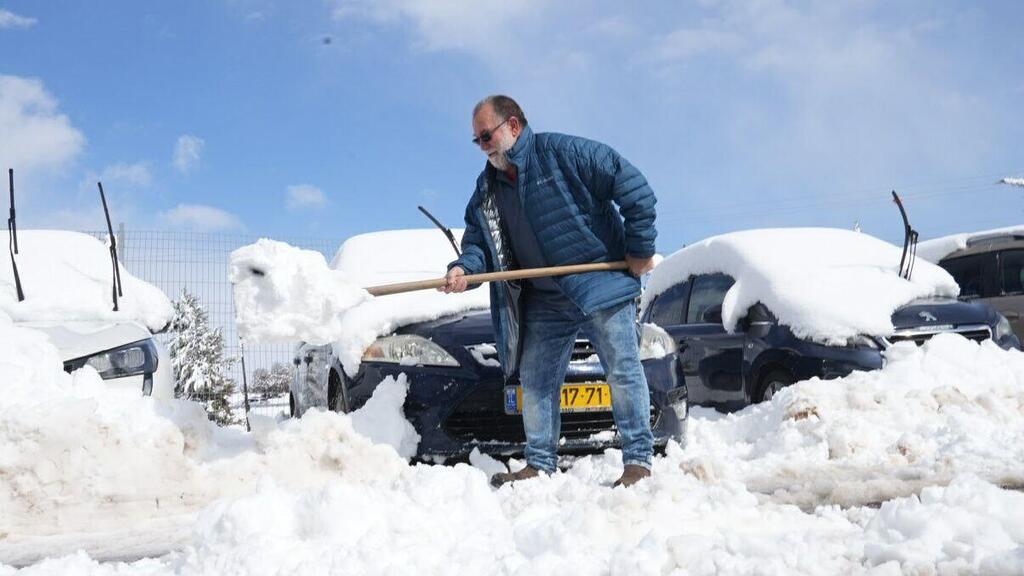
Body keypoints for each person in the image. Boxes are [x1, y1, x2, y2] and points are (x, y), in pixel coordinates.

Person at [442, 95, 658, 488]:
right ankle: (540, 463)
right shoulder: (487, 188)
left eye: (486, 135)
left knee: (623, 371)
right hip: (543, 298)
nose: (483, 145)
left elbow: (636, 189)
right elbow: (478, 242)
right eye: (477, 140)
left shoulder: (565, 153)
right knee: (537, 380)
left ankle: (638, 462)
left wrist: (639, 250)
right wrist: (463, 268)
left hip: (599, 285)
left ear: (513, 126)